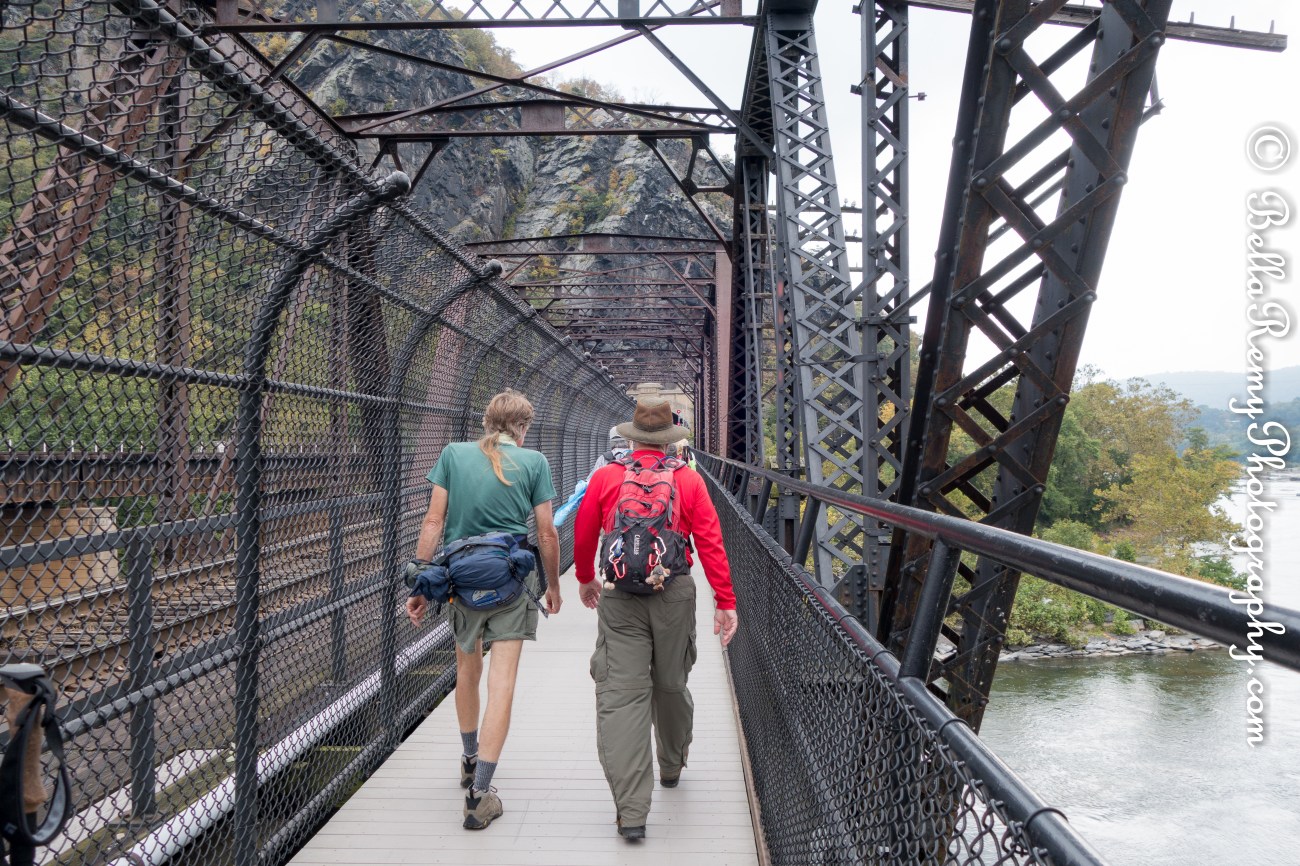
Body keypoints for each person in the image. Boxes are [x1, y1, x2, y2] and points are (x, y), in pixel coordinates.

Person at [572, 397, 739, 841]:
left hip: (619, 597)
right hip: (674, 593)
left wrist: (587, 578)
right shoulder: (687, 480)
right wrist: (725, 600)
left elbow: (585, 531)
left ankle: (631, 814)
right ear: (668, 441)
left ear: (631, 437)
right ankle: (670, 766)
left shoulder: (607, 476)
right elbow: (709, 540)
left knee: (622, 696)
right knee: (670, 684)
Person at [405, 390, 561, 831]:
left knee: (467, 669)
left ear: (486, 422)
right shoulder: (534, 463)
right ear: (523, 427)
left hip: (460, 580)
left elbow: (433, 522)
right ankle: (480, 795)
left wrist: (421, 583)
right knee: (503, 680)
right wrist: (552, 587)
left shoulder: (453, 454)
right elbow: (547, 535)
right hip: (512, 581)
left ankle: (469, 759)